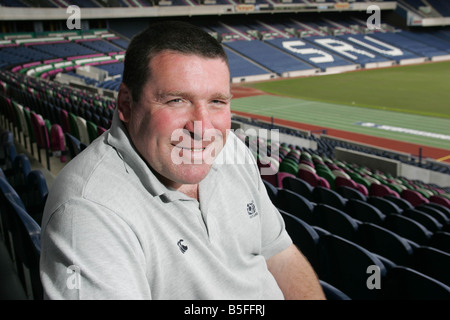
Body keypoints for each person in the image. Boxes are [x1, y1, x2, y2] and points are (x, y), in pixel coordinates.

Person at [40, 20, 325, 300]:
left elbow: (280, 255)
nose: (202, 128)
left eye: (217, 102)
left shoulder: (234, 151)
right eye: (177, 100)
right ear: (126, 104)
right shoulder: (87, 211)